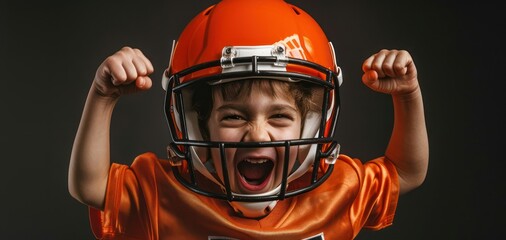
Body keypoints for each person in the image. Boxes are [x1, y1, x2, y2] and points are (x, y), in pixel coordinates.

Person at [68, 0, 428, 239]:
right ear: (198, 122)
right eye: (234, 115)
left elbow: (407, 171)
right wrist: (104, 96)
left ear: (313, 122)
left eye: (280, 116)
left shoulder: (334, 193)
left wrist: (407, 94)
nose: (257, 134)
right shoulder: (164, 195)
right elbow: (89, 186)